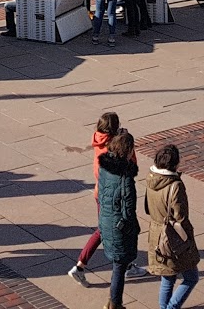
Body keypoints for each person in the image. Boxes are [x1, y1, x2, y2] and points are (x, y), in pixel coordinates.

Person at [145, 142, 201, 309]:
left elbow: (148, 207)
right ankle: (171, 307)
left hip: (156, 234)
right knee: (191, 277)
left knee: (167, 276)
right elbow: (180, 217)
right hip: (172, 236)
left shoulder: (151, 178)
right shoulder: (175, 185)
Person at [68, 110, 121, 286]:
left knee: (107, 229)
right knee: (111, 230)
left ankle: (82, 267)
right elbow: (128, 166)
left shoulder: (99, 141)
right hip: (111, 194)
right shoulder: (113, 146)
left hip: (100, 191)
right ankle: (81, 266)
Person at [97, 130, 141, 309]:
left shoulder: (105, 167)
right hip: (119, 227)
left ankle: (112, 302)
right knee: (119, 267)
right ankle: (115, 304)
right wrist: (133, 229)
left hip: (106, 220)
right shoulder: (126, 178)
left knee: (117, 264)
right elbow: (129, 210)